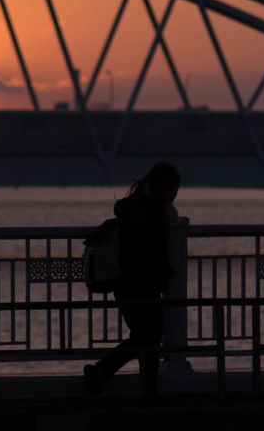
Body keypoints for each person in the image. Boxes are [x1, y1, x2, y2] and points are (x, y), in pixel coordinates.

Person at [84, 161, 180, 395]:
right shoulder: (155, 212)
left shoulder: (131, 208)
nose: (175, 195)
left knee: (143, 336)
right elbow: (153, 251)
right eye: (174, 190)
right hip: (144, 283)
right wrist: (165, 275)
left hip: (123, 282)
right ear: (165, 188)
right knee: (149, 338)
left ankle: (105, 372)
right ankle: (107, 373)